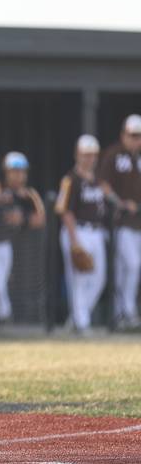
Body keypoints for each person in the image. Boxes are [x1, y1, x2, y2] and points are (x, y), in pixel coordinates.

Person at [0, 152, 45, 332]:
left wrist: (22, 219)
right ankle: (4, 312)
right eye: (14, 171)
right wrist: (1, 197)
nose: (18, 175)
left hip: (5, 244)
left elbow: (40, 218)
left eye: (22, 172)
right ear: (5, 172)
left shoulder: (28, 194)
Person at [55, 134, 107, 335]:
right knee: (78, 279)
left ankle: (77, 317)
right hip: (78, 230)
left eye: (93, 155)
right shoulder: (70, 179)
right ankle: (82, 323)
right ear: (77, 155)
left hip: (96, 232)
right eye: (86, 154)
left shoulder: (97, 179)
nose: (90, 159)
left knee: (99, 278)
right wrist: (74, 240)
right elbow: (64, 210)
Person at [97, 114, 141, 329]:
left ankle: (121, 314)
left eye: (139, 136)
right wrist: (120, 203)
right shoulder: (113, 154)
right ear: (123, 134)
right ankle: (127, 311)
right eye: (133, 135)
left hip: (138, 223)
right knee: (130, 266)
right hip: (119, 223)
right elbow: (103, 185)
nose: (136, 140)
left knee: (129, 269)